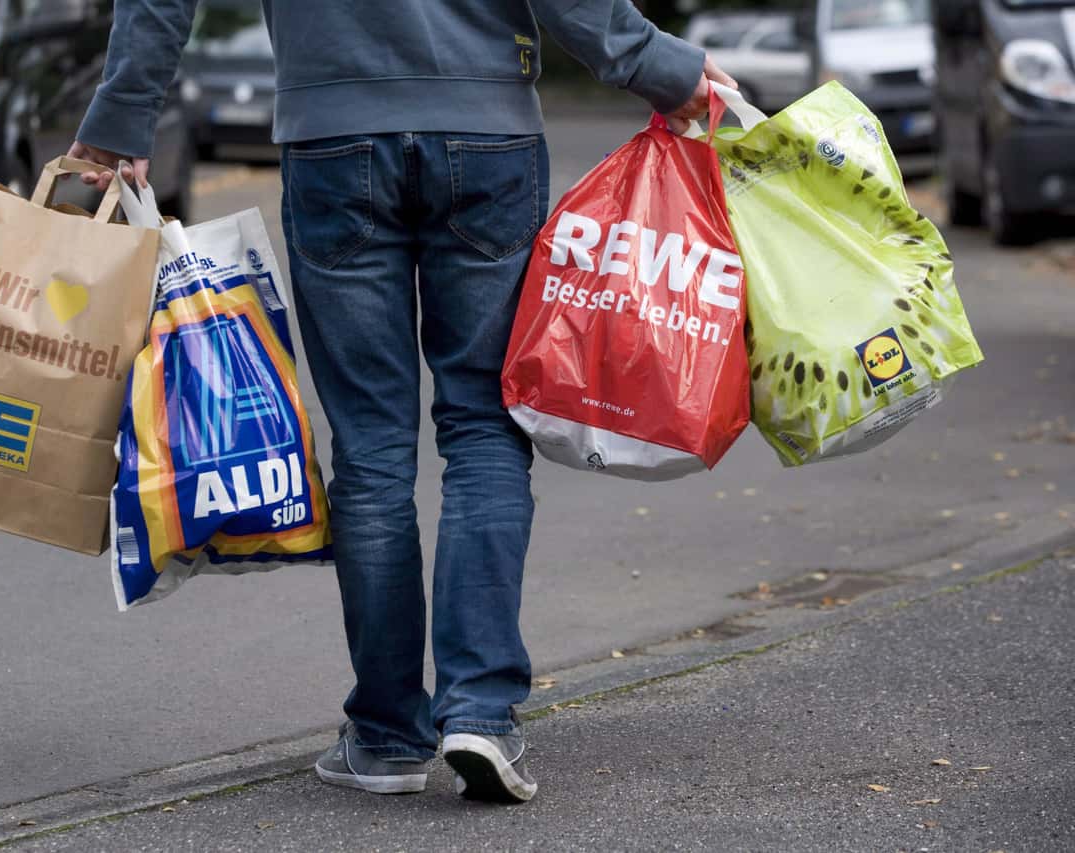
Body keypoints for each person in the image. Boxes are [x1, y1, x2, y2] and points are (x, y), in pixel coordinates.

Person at [71, 0, 735, 804]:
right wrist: (658, 68)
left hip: (332, 133)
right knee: (485, 429)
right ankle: (481, 713)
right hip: (486, 130)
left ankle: (387, 737)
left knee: (372, 451)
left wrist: (121, 118)